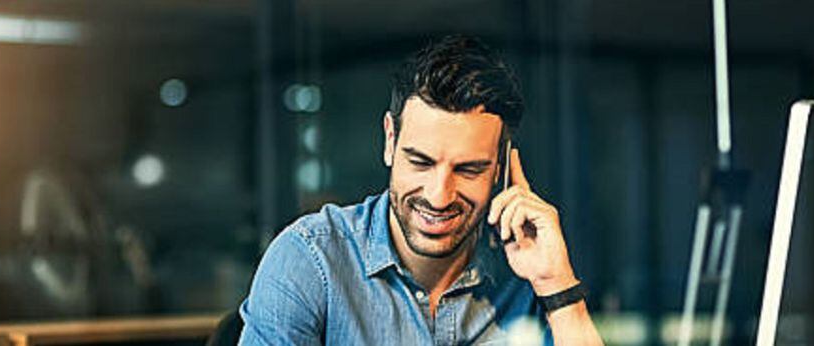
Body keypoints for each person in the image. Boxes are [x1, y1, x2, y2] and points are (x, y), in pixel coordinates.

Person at [238, 34, 603, 345]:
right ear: (390, 141)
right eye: (421, 162)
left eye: (469, 169)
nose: (439, 195)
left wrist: (556, 285)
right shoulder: (313, 260)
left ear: (501, 167)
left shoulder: (525, 271)